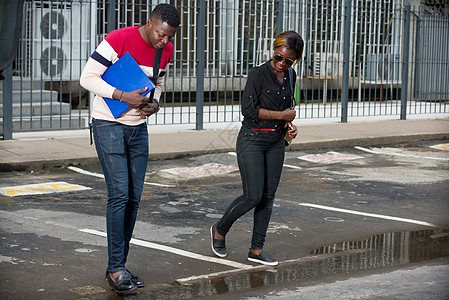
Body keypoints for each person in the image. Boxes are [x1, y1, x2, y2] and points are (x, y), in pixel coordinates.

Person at [80, 4, 180, 295]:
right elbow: (87, 78)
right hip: (108, 124)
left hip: (139, 129)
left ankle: (120, 266)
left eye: (169, 37)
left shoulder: (166, 49)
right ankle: (115, 269)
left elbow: (157, 82)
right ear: (149, 23)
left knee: (134, 198)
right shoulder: (118, 39)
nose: (163, 41)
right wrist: (122, 95)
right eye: (160, 34)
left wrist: (154, 103)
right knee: (119, 195)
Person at [210, 31, 304, 266]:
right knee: (253, 195)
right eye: (278, 58)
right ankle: (220, 230)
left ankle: (256, 248)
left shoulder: (291, 76)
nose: (282, 64)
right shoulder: (258, 73)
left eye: (288, 61)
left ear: (295, 61)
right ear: (273, 52)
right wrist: (282, 114)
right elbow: (249, 110)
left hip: (275, 141)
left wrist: (288, 127)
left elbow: (287, 108)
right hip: (251, 139)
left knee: (268, 197)